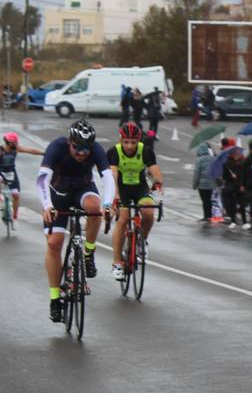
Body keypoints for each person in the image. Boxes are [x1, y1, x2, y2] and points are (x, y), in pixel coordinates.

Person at [38, 120, 116, 321]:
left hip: (83, 189)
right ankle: (55, 298)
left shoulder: (96, 149)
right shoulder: (57, 147)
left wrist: (108, 204)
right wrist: (47, 206)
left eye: (86, 148)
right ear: (69, 142)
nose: (82, 153)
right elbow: (42, 179)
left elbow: (107, 178)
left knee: (94, 208)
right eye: (77, 147)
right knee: (54, 244)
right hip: (58, 195)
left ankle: (89, 253)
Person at [106, 121, 163, 280]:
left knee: (149, 212)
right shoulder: (114, 152)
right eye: (126, 142)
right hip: (121, 189)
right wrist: (115, 197)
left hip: (140, 188)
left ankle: (141, 241)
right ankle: (117, 262)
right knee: (123, 220)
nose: (129, 146)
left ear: (138, 141)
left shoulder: (146, 151)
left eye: (133, 142)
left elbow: (154, 170)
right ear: (121, 140)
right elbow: (113, 177)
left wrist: (158, 182)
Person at [0, 132, 44, 221]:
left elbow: (30, 150)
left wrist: (43, 153)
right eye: (13, 142)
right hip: (0, 171)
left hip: (11, 172)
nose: (15, 144)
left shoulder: (16, 148)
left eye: (16, 142)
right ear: (7, 142)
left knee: (16, 195)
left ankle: (15, 216)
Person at [194, 142, 218, 224]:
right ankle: (210, 216)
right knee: (209, 200)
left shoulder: (199, 160)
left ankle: (206, 216)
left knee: (204, 200)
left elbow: (197, 173)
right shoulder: (213, 158)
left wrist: (195, 184)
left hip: (202, 184)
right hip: (211, 184)